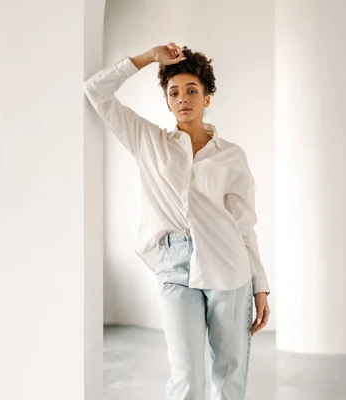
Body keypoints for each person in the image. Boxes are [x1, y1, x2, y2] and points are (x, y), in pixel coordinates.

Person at [83, 43, 270, 400]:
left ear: (207, 98)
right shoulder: (148, 141)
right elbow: (95, 90)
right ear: (167, 102)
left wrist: (259, 284)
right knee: (185, 376)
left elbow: (245, 225)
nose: (183, 98)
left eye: (192, 90)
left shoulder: (232, 156)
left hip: (229, 267)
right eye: (174, 92)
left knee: (229, 376)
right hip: (173, 265)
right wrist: (148, 58)